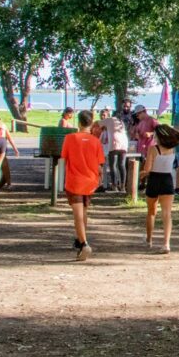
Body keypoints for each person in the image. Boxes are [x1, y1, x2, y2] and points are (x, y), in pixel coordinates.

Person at [61, 111, 105, 261]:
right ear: (91, 123)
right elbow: (100, 164)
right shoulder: (95, 141)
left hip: (75, 180)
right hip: (91, 180)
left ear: (79, 123)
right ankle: (80, 239)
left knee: (77, 213)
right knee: (84, 211)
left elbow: (64, 158)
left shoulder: (70, 138)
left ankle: (84, 243)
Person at [141, 124, 179, 254]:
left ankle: (149, 239)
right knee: (167, 213)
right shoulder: (173, 149)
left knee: (151, 212)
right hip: (167, 180)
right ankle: (166, 243)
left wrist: (142, 173)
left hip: (154, 179)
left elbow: (148, 169)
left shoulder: (153, 149)